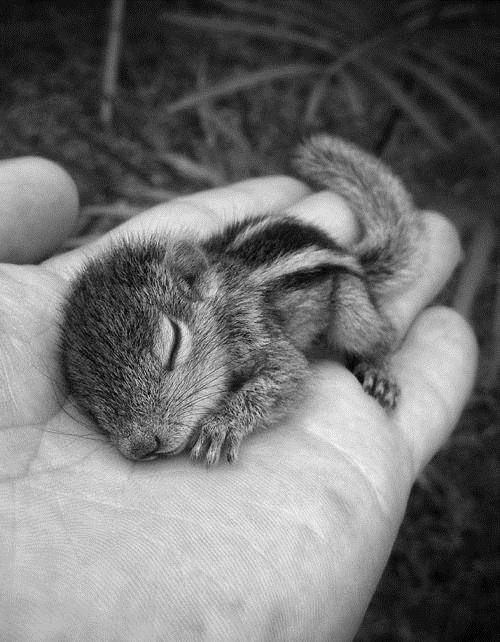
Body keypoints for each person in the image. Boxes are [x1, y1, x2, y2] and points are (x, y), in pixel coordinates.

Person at [0, 157, 477, 640]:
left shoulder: (236, 318)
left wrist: (235, 415)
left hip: (327, 283)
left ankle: (374, 356)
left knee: (354, 319)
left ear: (195, 283)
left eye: (170, 353)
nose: (141, 438)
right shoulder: (152, 345)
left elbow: (287, 373)